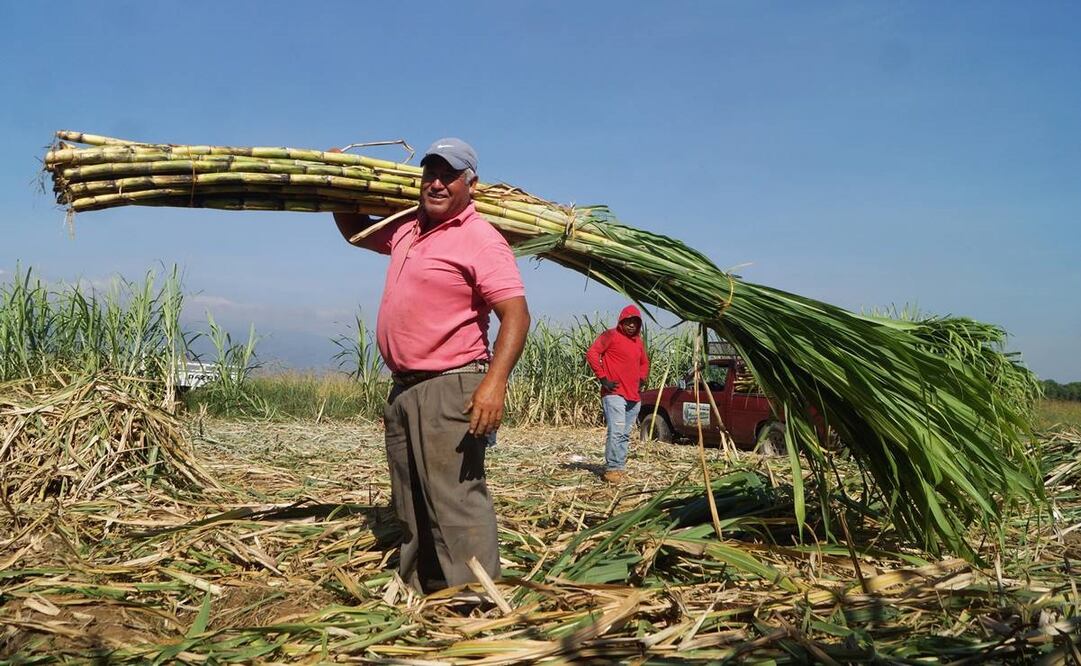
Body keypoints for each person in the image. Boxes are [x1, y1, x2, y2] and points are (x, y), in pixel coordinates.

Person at [332, 138, 530, 593]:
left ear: (470, 184)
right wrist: (336, 182)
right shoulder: (407, 227)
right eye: (431, 174)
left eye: (449, 175)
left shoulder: (481, 238)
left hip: (452, 385)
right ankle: (424, 592)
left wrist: (494, 385)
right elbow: (354, 231)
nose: (437, 183)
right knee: (411, 498)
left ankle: (475, 604)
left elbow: (516, 314)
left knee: (456, 501)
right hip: (404, 389)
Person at [585, 305, 650, 483]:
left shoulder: (639, 342)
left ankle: (619, 467)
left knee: (625, 434)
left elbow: (644, 362)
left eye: (635, 323)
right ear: (621, 321)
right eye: (628, 322)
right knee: (617, 431)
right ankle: (612, 469)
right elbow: (592, 353)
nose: (631, 326)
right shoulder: (611, 336)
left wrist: (642, 378)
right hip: (614, 393)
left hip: (633, 396)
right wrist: (603, 378)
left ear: (639, 325)